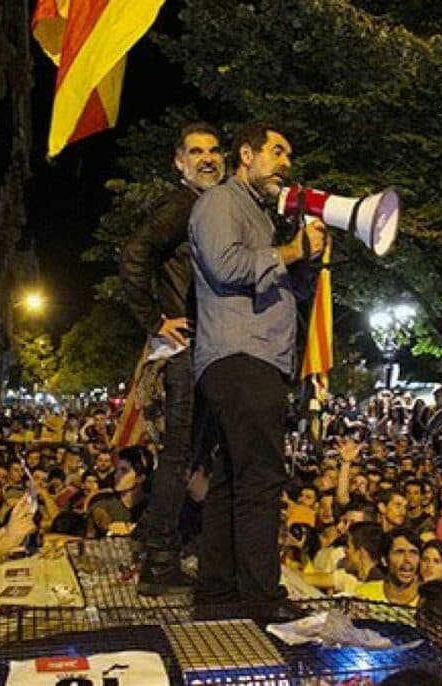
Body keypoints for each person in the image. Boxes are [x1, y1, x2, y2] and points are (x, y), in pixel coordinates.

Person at [189, 121, 325, 604]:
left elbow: (285, 288)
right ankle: (261, 596)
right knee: (262, 479)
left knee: (231, 479)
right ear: (246, 154)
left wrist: (308, 259)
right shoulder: (220, 203)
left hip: (254, 360)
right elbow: (226, 266)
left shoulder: (261, 218)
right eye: (277, 152)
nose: (285, 164)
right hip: (242, 357)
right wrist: (290, 250)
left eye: (288, 155)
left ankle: (217, 588)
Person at [120, 122, 224, 595]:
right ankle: (159, 560)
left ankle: (159, 541)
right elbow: (135, 252)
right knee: (180, 456)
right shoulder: (181, 205)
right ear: (179, 162)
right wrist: (155, 319)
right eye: (196, 151)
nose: (208, 158)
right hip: (185, 351)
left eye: (214, 150)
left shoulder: (208, 209)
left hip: (204, 350)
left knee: (190, 455)